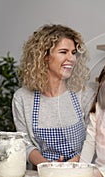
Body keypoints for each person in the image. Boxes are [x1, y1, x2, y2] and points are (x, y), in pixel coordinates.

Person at [12, 24, 95, 167]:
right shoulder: (22, 98)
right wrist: (48, 167)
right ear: (44, 56)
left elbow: (95, 140)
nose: (72, 59)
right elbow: (25, 144)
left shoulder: (84, 94)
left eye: (73, 53)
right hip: (43, 175)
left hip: (82, 170)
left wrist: (71, 165)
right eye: (63, 52)